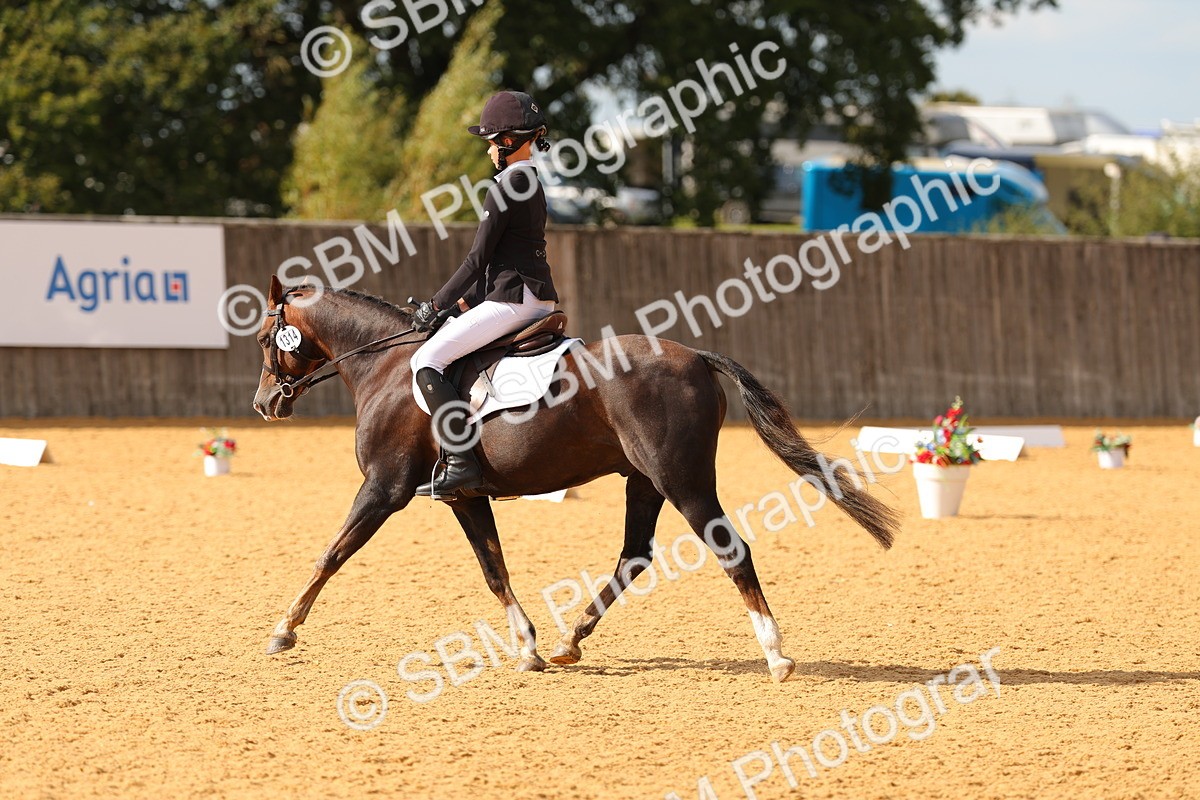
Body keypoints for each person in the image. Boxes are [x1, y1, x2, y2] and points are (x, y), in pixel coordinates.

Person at [410, 90, 559, 500]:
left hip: (513, 300)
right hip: (532, 296)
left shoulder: (505, 186)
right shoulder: (531, 181)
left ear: (510, 141)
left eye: (493, 140)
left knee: (426, 359)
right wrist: (460, 305)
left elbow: (476, 261)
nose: (490, 149)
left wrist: (433, 306)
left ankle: (461, 463)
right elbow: (502, 261)